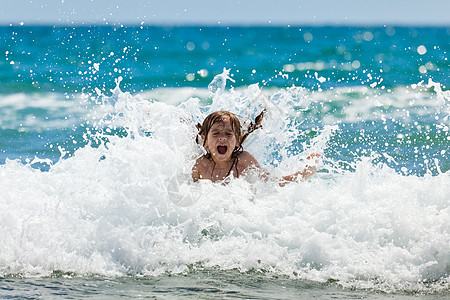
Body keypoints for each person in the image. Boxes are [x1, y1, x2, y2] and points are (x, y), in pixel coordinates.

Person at [192, 110, 320, 185]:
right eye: (216, 133)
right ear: (205, 140)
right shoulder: (201, 165)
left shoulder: (244, 160)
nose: (222, 137)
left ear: (237, 141)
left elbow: (271, 183)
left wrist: (302, 174)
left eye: (228, 133)